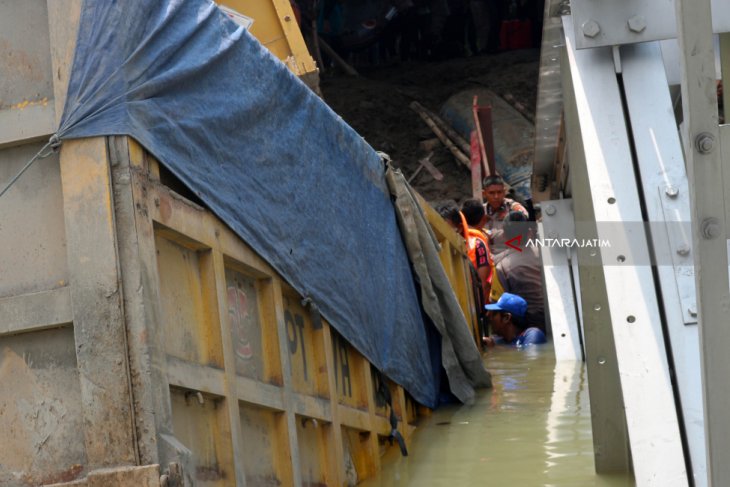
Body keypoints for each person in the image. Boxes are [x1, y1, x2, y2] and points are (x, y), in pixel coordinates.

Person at [493, 211, 545, 329]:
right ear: (530, 233)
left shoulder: (501, 266)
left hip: (524, 328)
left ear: (504, 236)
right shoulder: (546, 255)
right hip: (555, 321)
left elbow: (498, 304)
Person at [482, 174, 528, 254]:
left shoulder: (511, 206)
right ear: (484, 193)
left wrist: (511, 216)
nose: (496, 196)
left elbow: (523, 214)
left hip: (511, 255)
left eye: (499, 192)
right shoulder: (481, 212)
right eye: (491, 193)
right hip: (489, 256)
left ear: (504, 191)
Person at [461, 199, 493, 305]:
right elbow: (483, 283)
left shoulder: (457, 238)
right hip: (475, 303)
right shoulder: (478, 243)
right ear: (483, 219)